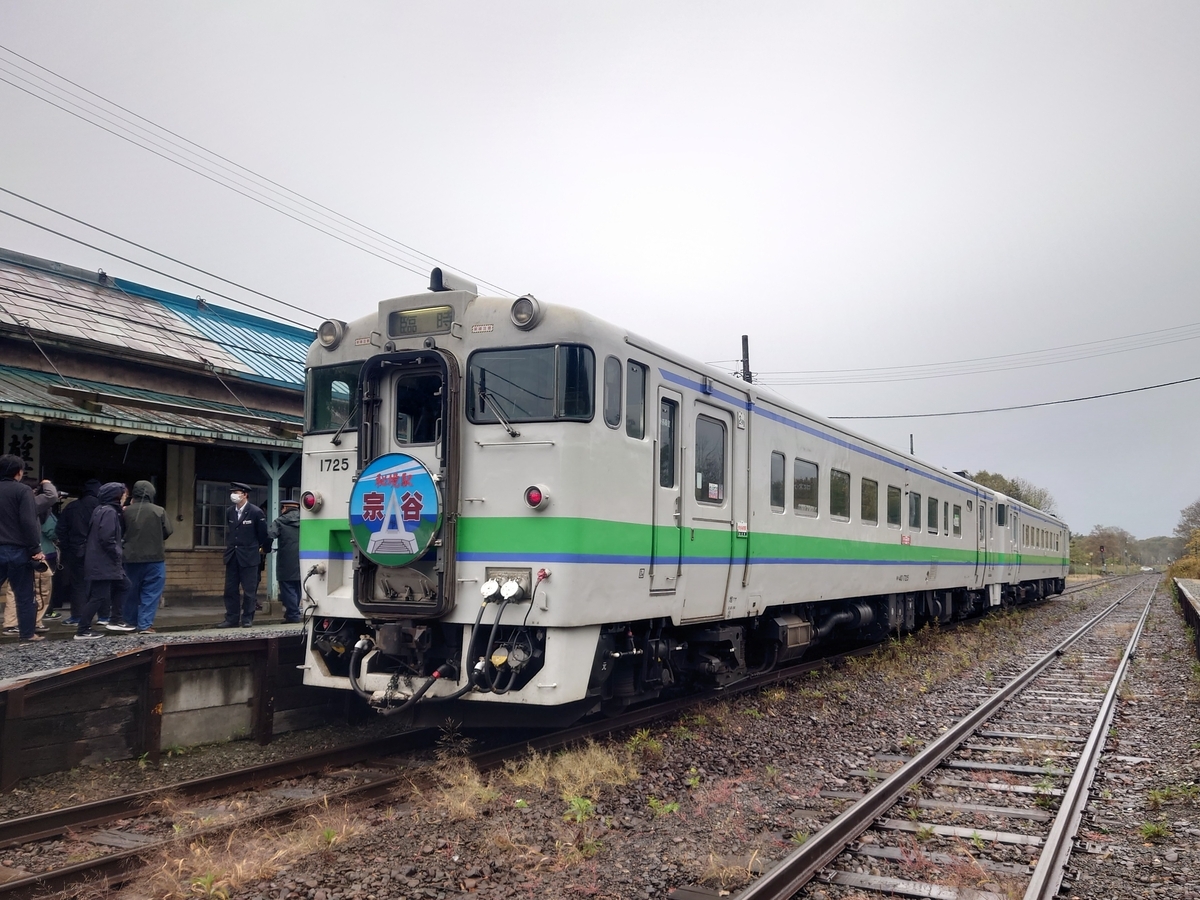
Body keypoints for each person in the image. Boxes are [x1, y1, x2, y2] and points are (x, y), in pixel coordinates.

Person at [76, 482, 133, 640]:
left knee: (123, 585)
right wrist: (118, 553)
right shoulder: (109, 512)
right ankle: (83, 629)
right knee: (99, 596)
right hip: (104, 561)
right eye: (123, 495)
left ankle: (115, 619)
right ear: (116, 496)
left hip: (99, 560)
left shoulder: (101, 509)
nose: (125, 498)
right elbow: (107, 538)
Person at [0, 454, 46, 642]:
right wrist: (35, 548)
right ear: (18, 472)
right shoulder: (23, 491)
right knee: (24, 595)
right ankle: (27, 633)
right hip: (18, 550)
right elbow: (28, 521)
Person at [121, 480, 173, 634]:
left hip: (130, 558)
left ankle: (129, 622)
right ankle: (144, 625)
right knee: (151, 593)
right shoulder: (159, 511)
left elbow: (120, 532)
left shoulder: (125, 511)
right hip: (155, 557)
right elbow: (168, 531)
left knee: (130, 591)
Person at [221, 482, 270, 628]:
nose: (234, 495)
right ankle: (231, 618)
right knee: (230, 589)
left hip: (249, 556)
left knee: (249, 591)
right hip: (233, 555)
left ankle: (247, 618)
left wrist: (262, 551)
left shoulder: (255, 512)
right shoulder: (230, 511)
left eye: (237, 492)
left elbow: (263, 535)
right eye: (233, 492)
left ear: (245, 494)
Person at [56, 479, 101, 624]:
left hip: (75, 551)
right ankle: (102, 616)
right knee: (100, 584)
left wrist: (67, 546)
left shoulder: (72, 507)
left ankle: (77, 616)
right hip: (98, 552)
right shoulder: (101, 507)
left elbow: (60, 529)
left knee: (78, 584)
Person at [268, 499, 302, 623]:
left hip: (286, 559)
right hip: (302, 558)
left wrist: (265, 548)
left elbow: (271, 534)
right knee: (297, 587)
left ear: (284, 508)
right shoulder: (305, 521)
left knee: (287, 587)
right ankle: (292, 613)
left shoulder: (280, 521)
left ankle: (293, 615)